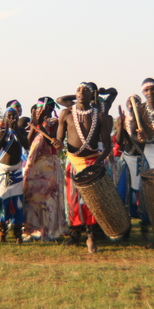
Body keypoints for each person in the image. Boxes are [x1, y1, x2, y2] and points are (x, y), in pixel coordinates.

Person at [52, 82, 112, 253]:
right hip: (73, 161)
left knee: (91, 200)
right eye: (78, 90)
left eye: (85, 90)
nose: (80, 92)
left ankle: (91, 235)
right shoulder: (66, 113)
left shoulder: (99, 116)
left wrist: (98, 162)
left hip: (92, 161)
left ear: (91, 94)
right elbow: (59, 138)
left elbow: (107, 145)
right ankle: (75, 234)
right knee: (72, 200)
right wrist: (58, 143)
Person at [0, 107, 29, 243]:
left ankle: (18, 234)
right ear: (5, 118)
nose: (12, 118)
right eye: (9, 116)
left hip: (16, 171)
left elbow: (26, 145)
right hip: (3, 171)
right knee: (1, 202)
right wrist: (7, 129)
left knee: (18, 203)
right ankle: (2, 233)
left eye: (14, 116)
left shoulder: (21, 132)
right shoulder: (2, 131)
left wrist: (16, 130)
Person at [23, 97, 67, 241]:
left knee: (48, 198)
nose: (40, 112)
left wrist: (40, 126)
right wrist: (34, 124)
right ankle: (32, 229)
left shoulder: (55, 123)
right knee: (32, 196)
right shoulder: (32, 123)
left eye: (43, 110)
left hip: (49, 166)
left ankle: (47, 230)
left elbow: (51, 141)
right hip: (34, 164)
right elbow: (27, 143)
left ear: (49, 110)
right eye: (38, 110)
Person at [113, 94, 149, 242]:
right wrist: (120, 125)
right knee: (123, 194)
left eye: (136, 102)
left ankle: (145, 228)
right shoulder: (122, 119)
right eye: (129, 101)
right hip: (127, 160)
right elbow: (119, 142)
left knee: (144, 196)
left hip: (142, 160)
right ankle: (125, 229)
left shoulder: (145, 120)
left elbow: (144, 140)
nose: (132, 104)